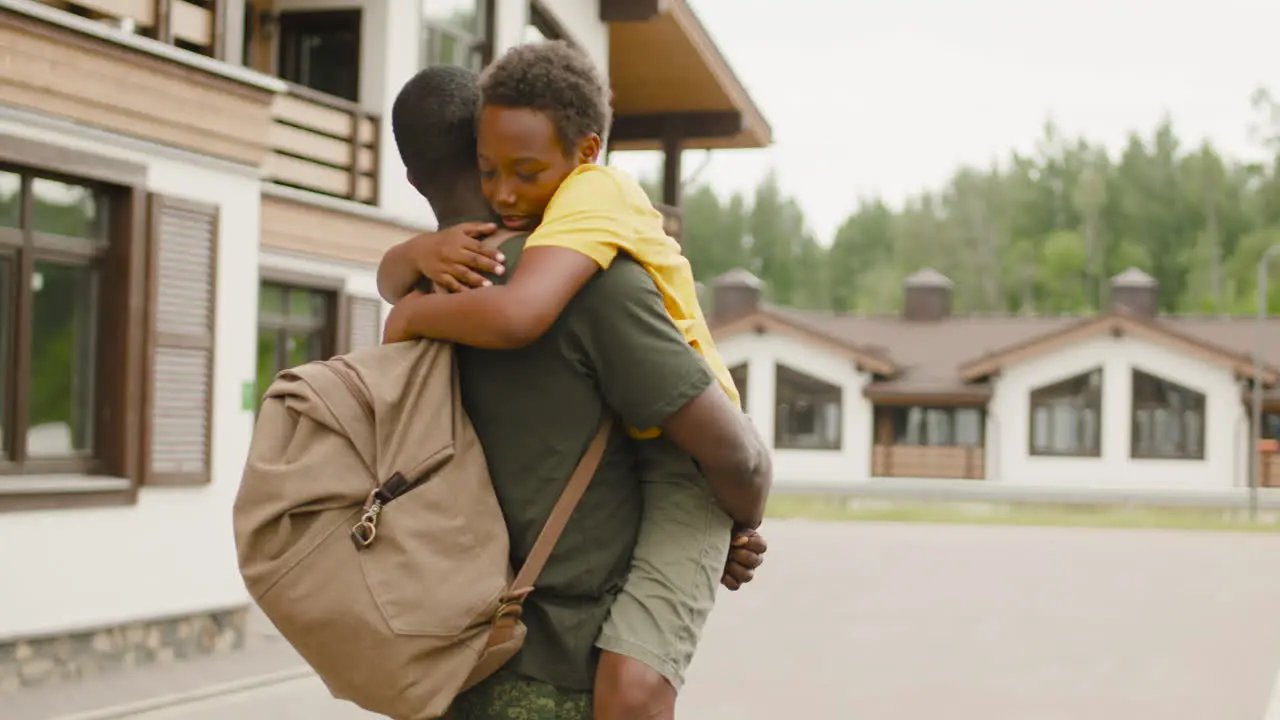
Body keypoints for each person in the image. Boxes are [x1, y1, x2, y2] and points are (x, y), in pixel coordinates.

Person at [378, 66, 770, 720]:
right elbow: (735, 457)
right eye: (495, 169)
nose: (508, 190)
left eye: (524, 170)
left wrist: (406, 304)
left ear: (413, 178)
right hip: (564, 672)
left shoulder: (428, 290)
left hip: (447, 667)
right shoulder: (595, 284)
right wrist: (743, 516)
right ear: (482, 155)